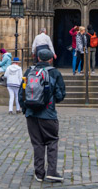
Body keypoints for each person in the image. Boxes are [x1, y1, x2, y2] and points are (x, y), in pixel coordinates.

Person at [21, 47, 66, 182]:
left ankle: (39, 173)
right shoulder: (55, 73)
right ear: (51, 59)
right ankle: (52, 172)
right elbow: (60, 95)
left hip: (31, 115)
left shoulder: (29, 71)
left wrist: (26, 110)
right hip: (48, 114)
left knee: (37, 143)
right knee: (52, 141)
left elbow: (21, 94)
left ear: (38, 58)